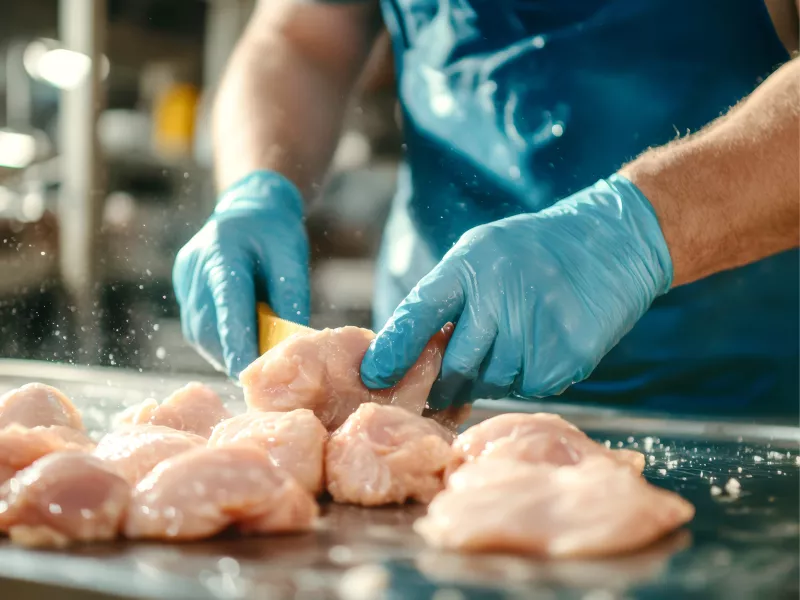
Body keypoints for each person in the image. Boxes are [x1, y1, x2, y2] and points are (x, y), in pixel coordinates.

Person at [173, 0, 799, 417]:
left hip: (737, 388)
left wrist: (633, 235)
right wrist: (255, 187)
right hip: (427, 392)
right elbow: (301, 35)